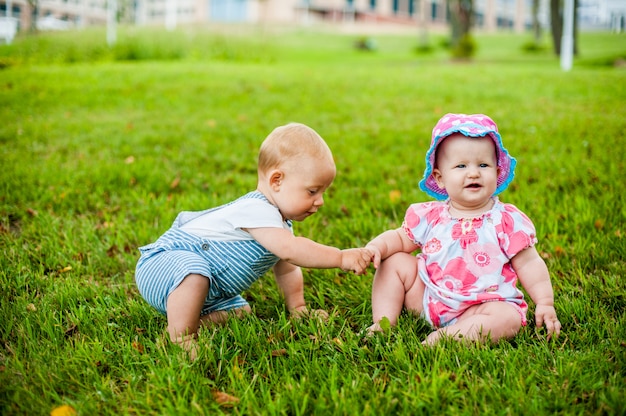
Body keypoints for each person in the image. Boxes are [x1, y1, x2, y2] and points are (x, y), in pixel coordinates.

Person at [135, 122, 372, 357]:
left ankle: (193, 317)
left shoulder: (278, 226)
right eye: (312, 191)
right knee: (194, 273)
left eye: (323, 192)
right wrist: (340, 257)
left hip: (203, 290)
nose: (320, 201)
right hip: (164, 267)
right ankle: (180, 336)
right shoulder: (256, 209)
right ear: (276, 181)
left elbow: (288, 269)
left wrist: (298, 308)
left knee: (242, 310)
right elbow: (292, 250)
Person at [365, 113, 561, 345]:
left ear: (497, 173)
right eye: (461, 166)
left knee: (509, 318)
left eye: (483, 165)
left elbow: (529, 263)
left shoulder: (505, 220)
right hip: (429, 297)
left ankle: (450, 337)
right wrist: (376, 246)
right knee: (394, 262)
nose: (473, 172)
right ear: (440, 178)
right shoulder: (430, 216)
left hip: (482, 307)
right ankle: (383, 322)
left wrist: (545, 302)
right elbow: (399, 238)